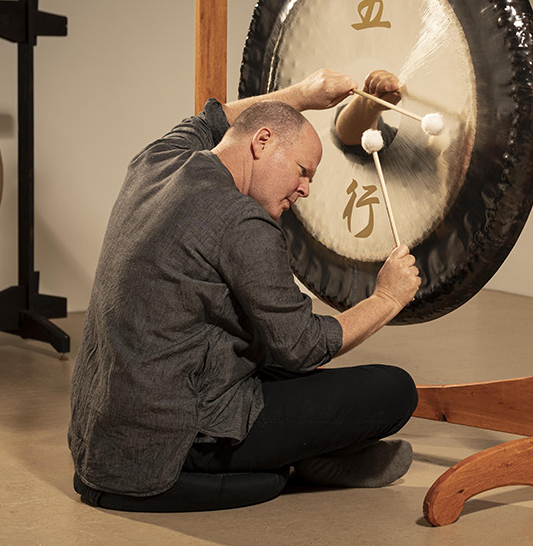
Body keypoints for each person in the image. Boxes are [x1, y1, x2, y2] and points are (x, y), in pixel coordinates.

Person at [68, 68, 420, 512]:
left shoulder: (157, 160)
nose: (305, 189)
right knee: (394, 389)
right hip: (169, 450)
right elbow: (305, 345)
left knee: (265, 345)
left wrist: (305, 95)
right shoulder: (243, 222)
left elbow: (215, 119)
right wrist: (386, 299)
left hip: (103, 442)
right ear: (262, 142)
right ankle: (297, 462)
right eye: (302, 171)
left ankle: (304, 456)